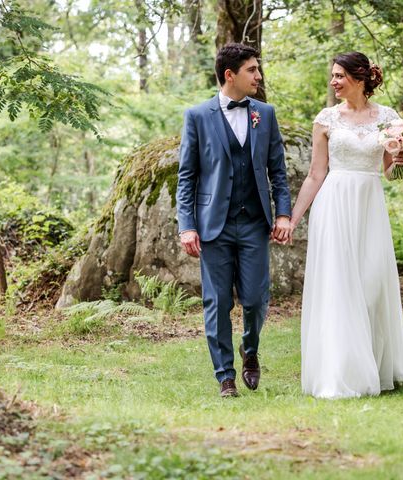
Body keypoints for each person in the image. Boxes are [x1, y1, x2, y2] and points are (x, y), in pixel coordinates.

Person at [290, 52, 403, 399]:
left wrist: (401, 160)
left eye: (340, 76)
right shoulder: (326, 119)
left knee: (372, 283)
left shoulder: (388, 119)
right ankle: (341, 372)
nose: (334, 82)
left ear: (360, 78)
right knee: (339, 287)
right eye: (332, 76)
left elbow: (392, 173)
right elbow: (317, 174)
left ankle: (374, 365)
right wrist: (294, 217)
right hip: (334, 204)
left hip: (369, 203)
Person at [176, 43, 292, 398]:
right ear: (231, 75)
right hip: (214, 225)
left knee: (256, 299)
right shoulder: (197, 116)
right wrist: (187, 225)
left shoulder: (265, 114)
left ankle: (250, 349)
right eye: (252, 70)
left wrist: (283, 213)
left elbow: (278, 172)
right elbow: (187, 176)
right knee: (217, 302)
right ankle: (225, 375)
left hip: (255, 224)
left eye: (257, 70)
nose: (258, 76)